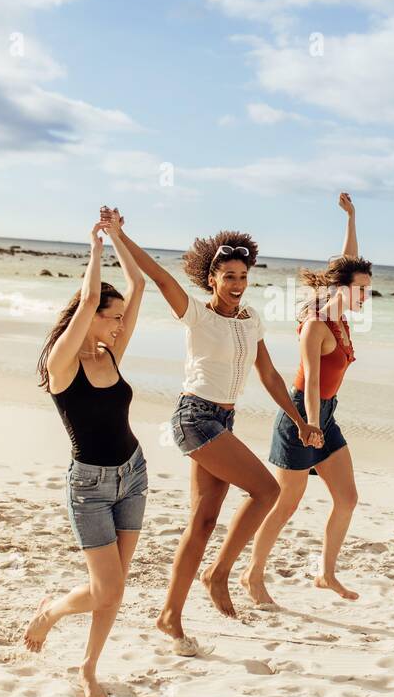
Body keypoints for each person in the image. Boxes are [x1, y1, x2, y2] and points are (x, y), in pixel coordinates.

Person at [103, 210, 323, 655]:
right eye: (228, 275)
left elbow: (269, 374)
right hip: (195, 417)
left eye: (243, 275)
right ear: (212, 277)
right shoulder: (197, 316)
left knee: (202, 522)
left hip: (224, 420)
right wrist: (120, 236)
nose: (237, 282)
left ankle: (170, 615)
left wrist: (301, 420)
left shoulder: (250, 319)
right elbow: (162, 280)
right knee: (265, 490)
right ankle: (218, 574)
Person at [22, 208, 147, 697]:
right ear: (88, 317)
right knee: (107, 589)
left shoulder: (110, 353)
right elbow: (93, 295)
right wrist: (94, 246)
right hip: (90, 489)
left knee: (114, 588)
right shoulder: (61, 364)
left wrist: (119, 235)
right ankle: (51, 611)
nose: (119, 326)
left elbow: (137, 287)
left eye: (119, 321)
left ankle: (89, 666)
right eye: (111, 319)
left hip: (133, 476)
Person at [244, 192, 373, 606]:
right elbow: (312, 383)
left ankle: (326, 574)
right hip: (301, 416)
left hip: (326, 416)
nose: (366, 296)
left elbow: (348, 261)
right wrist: (311, 426)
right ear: (341, 289)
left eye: (369, 289)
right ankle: (252, 575)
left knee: (347, 499)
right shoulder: (316, 326)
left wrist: (352, 218)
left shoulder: (341, 312)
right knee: (285, 505)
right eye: (362, 290)